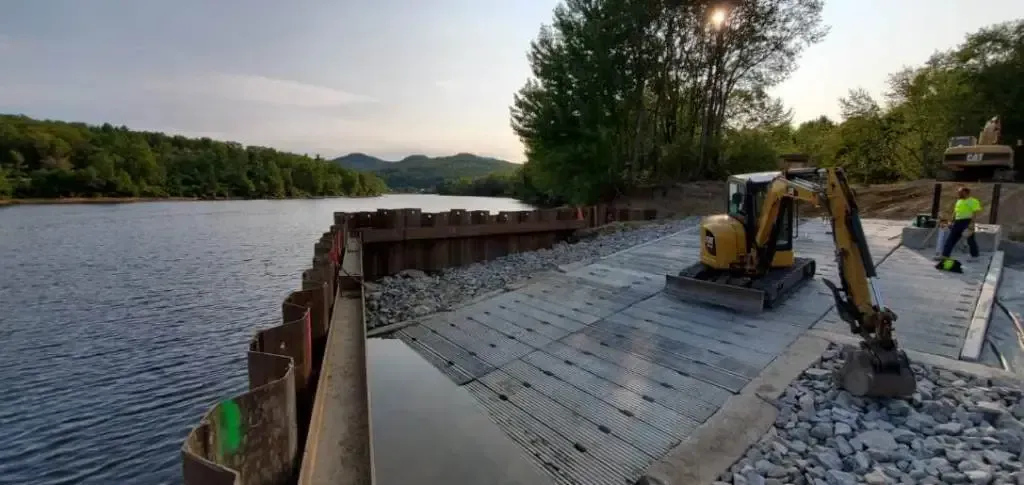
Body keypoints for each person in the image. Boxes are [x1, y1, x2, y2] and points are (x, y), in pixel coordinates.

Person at [941, 186, 982, 260]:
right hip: (957, 222)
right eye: (958, 192)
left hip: (967, 221)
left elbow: (975, 213)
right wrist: (951, 221)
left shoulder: (973, 201)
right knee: (951, 239)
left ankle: (975, 256)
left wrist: (971, 224)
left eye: (960, 192)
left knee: (970, 240)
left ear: (965, 192)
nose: (958, 194)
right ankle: (945, 255)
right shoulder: (959, 201)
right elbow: (955, 212)